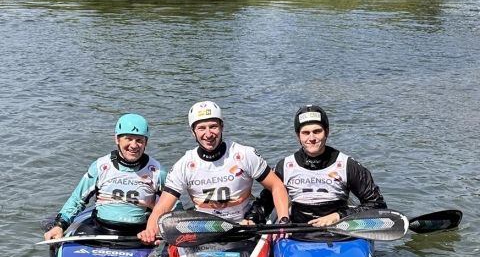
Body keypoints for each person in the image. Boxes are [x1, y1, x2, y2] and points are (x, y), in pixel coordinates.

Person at [137, 101, 290, 244]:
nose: (208, 134)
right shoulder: (184, 165)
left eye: (213, 126)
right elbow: (163, 207)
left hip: (244, 225)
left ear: (222, 127)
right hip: (204, 230)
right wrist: (150, 230)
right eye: (201, 128)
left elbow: (276, 185)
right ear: (193, 132)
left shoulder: (244, 155)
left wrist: (283, 219)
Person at [245, 105, 386, 227]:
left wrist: (339, 215)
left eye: (317, 131)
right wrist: (251, 219)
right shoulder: (285, 166)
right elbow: (265, 202)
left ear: (327, 132)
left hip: (340, 230)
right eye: (305, 133)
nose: (311, 138)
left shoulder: (348, 165)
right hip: (297, 232)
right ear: (297, 136)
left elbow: (377, 205)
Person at [43, 113, 167, 241]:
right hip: (101, 230)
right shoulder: (100, 167)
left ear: (146, 142)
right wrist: (60, 225)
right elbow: (77, 199)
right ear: (117, 139)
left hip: (139, 235)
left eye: (139, 140)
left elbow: (173, 207)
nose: (134, 145)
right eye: (128, 139)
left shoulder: (157, 171)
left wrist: (158, 232)